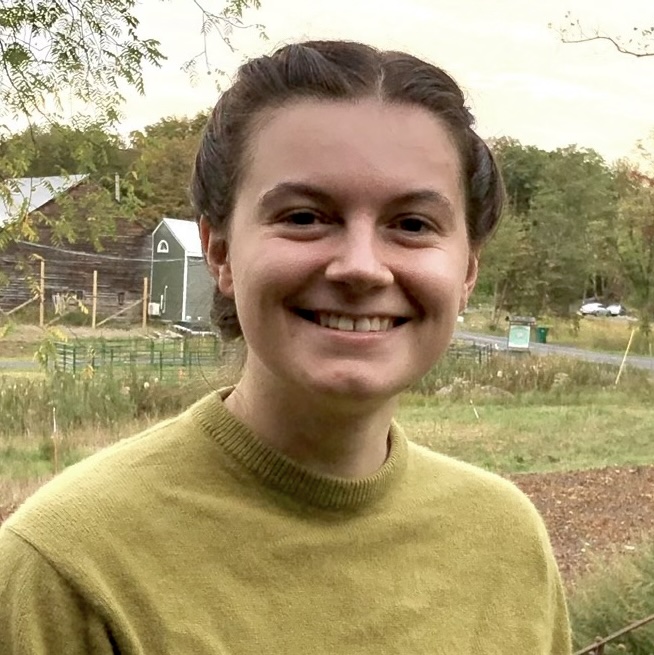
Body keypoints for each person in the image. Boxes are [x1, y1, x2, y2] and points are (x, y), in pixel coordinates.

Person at [0, 40, 572, 654]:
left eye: (412, 224)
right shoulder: (68, 568)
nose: (361, 268)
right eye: (304, 217)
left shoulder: (506, 543)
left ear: (466, 272)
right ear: (218, 251)